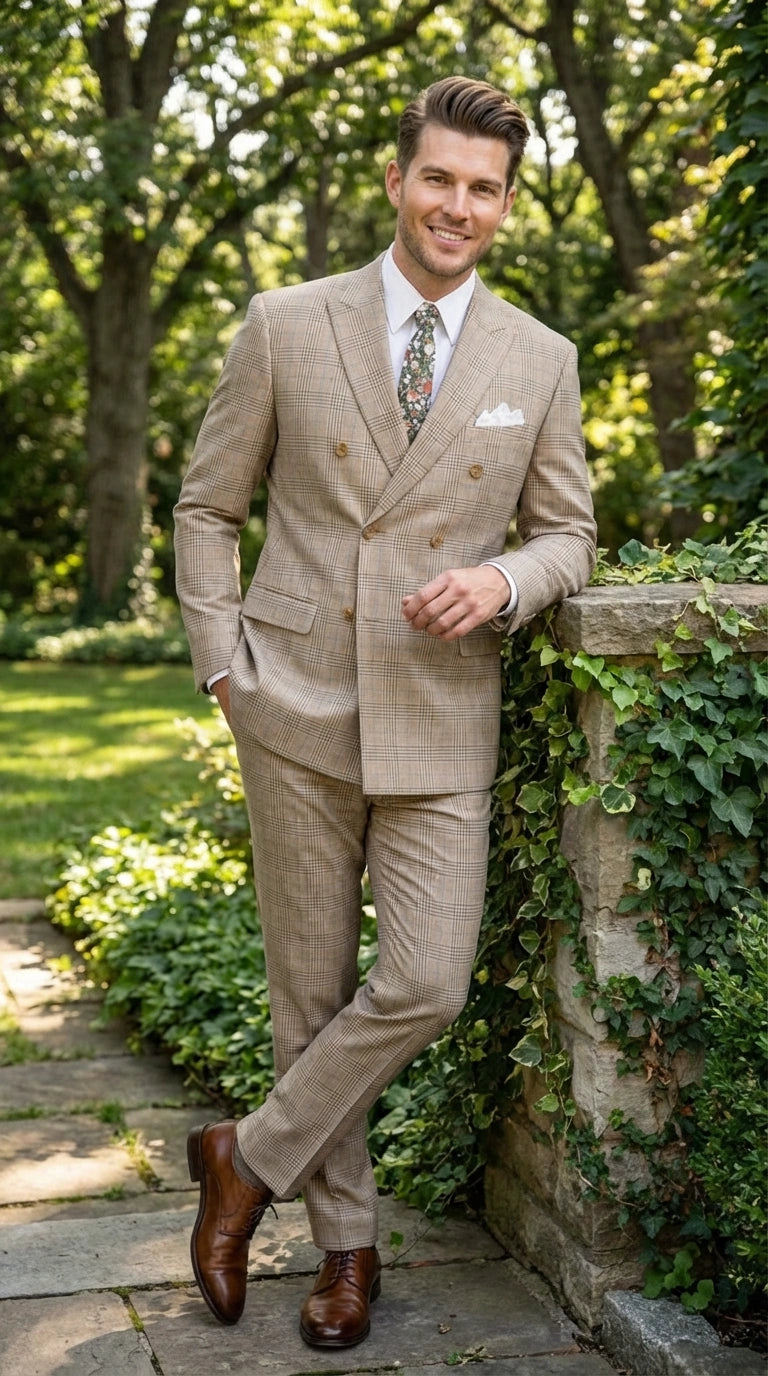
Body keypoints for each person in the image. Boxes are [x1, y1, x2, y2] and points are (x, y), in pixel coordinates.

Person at [174, 74, 596, 1348]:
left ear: (506, 205)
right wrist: (220, 661)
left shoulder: (540, 357)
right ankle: (347, 1248)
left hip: (439, 707)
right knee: (308, 995)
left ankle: (244, 1157)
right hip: (291, 697)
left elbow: (570, 533)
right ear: (399, 180)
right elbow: (208, 505)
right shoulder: (286, 323)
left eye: (484, 189)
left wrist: (505, 581)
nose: (458, 206)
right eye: (440, 179)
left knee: (425, 979)